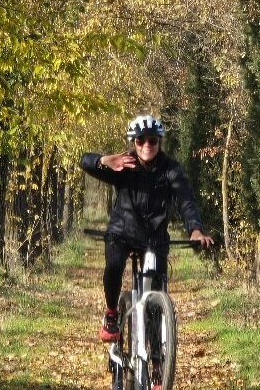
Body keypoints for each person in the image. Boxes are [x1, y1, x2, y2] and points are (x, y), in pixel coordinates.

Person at [80, 114, 214, 342]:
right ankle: (112, 313)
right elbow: (84, 161)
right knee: (113, 266)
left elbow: (185, 200)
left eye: (152, 140)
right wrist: (104, 160)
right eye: (140, 140)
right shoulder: (125, 164)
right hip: (121, 234)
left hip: (155, 240)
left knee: (155, 297)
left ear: (159, 142)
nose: (146, 146)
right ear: (134, 142)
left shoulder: (171, 170)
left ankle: (156, 360)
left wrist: (195, 229)